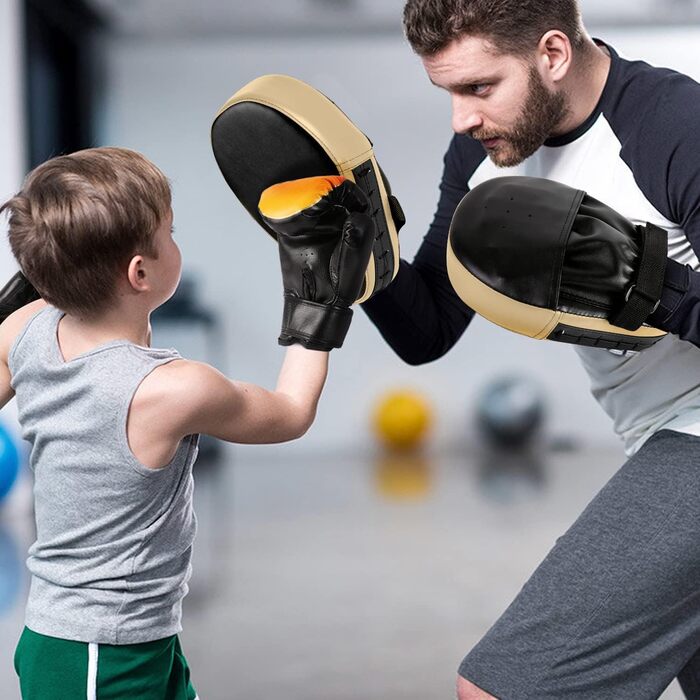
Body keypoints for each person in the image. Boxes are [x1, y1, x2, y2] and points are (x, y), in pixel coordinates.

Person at [360, 1, 700, 698]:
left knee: (504, 687)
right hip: (653, 434)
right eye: (448, 93)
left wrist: (645, 283)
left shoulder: (673, 126)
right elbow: (428, 330)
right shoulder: (487, 149)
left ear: (552, 54)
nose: (461, 118)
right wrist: (361, 259)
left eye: (479, 88)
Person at [0, 148, 373, 699]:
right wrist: (320, 301)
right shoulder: (172, 389)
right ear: (139, 272)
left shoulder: (25, 328)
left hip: (117, 637)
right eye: (171, 233)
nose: (178, 242)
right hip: (100, 658)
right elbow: (290, 412)